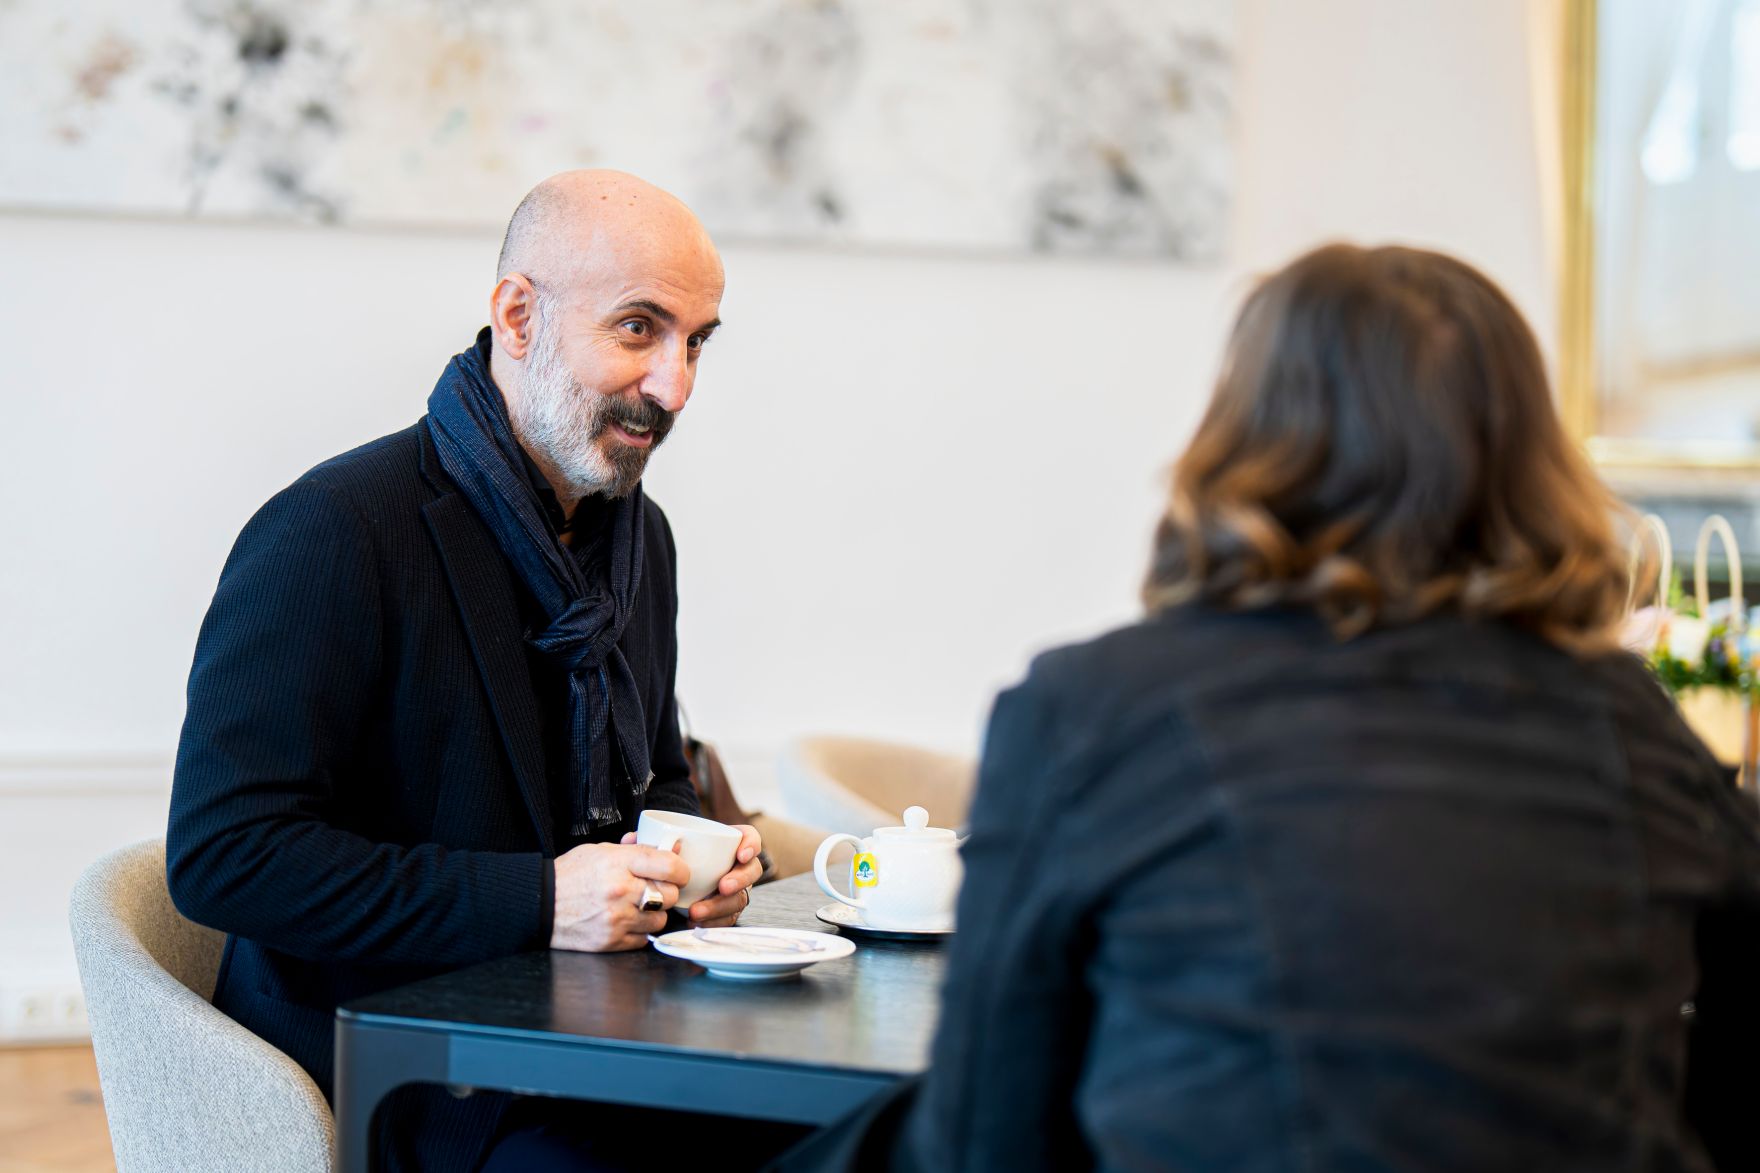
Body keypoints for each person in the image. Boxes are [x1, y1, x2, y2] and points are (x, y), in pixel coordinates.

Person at [775, 244, 1760, 1171]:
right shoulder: (1629, 725)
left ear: (1249, 436)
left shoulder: (1092, 711)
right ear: (1524, 462)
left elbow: (986, 1141)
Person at [166, 170, 777, 1172]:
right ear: (518, 315)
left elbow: (652, 774)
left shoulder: (637, 539)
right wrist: (541, 900)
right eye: (638, 330)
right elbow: (227, 854)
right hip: (408, 1076)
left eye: (696, 341)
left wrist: (694, 858)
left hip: (597, 1043)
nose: (676, 386)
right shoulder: (333, 532)